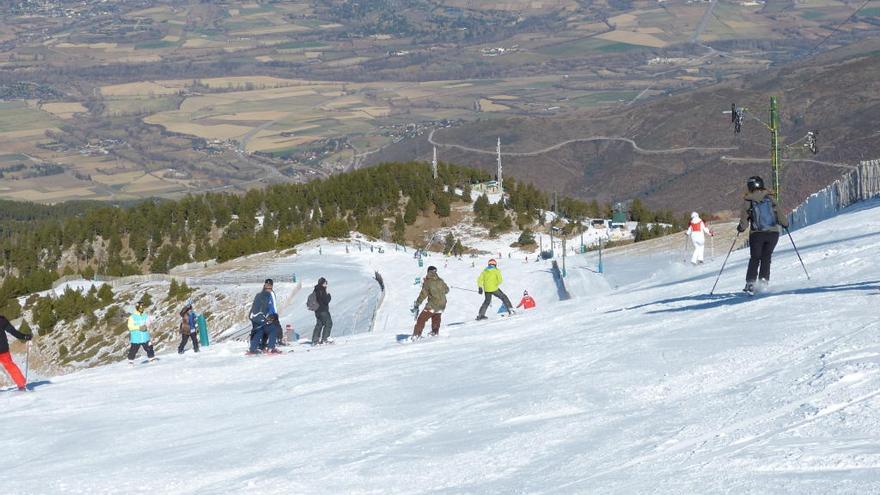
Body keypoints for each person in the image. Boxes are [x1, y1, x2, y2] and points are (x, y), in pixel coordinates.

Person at [737, 175, 789, 294]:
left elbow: (744, 223)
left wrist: (740, 228)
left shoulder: (748, 200)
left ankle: (751, 283)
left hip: (757, 234)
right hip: (773, 234)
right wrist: (785, 224)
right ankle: (763, 282)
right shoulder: (770, 198)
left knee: (755, 258)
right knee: (766, 257)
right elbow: (779, 214)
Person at [411, 266, 449, 339]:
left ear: (428, 272)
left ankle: (416, 335)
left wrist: (417, 303)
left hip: (433, 305)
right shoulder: (440, 280)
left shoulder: (428, 282)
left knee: (421, 319)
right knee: (436, 317)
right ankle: (435, 332)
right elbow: (447, 290)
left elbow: (423, 295)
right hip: (442, 304)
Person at [248, 279, 281, 355]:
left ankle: (253, 348)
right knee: (273, 329)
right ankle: (271, 348)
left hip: (255, 318)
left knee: (259, 331)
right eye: (268, 288)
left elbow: (254, 308)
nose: (269, 289)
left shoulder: (258, 295)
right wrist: (271, 317)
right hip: (262, 319)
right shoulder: (268, 295)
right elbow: (269, 308)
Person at [0, 315, 32, 391]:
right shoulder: (1, 320)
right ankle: (21, 385)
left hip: (2, 349)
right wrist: (24, 336)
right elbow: (13, 332)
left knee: (10, 366)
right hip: (3, 348)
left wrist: (24, 337)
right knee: (11, 366)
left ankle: (21, 385)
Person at [311, 277, 333, 345]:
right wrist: (329, 296)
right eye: (325, 283)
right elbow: (325, 301)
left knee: (319, 324)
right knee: (328, 323)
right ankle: (325, 339)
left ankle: (315, 340)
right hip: (323, 310)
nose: (326, 284)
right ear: (323, 283)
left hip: (317, 311)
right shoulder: (322, 290)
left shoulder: (315, 290)